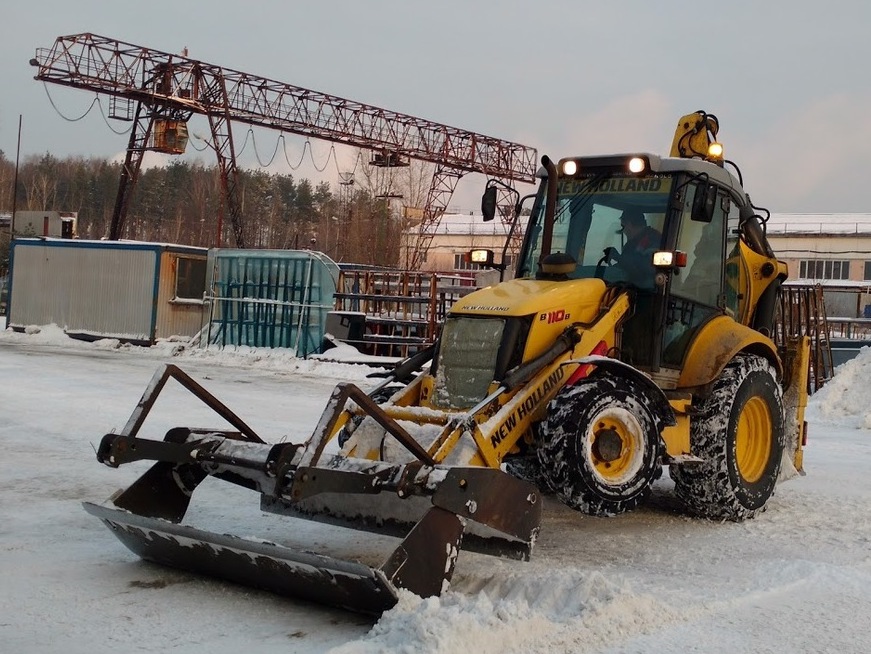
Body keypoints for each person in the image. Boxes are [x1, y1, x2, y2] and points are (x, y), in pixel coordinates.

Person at [604, 208, 661, 287]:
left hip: (645, 293)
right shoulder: (633, 242)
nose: (623, 231)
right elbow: (626, 267)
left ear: (629, 224)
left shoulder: (654, 240)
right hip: (628, 289)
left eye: (623, 226)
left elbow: (644, 270)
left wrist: (618, 258)